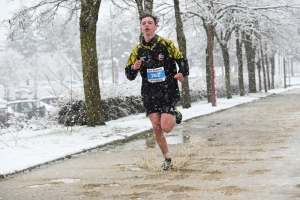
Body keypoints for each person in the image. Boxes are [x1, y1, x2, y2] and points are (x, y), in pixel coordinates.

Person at [125, 13, 189, 171]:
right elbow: (129, 74)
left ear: (155, 26)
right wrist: (134, 67)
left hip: (167, 89)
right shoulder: (137, 50)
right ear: (141, 28)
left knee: (166, 127)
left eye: (150, 23)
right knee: (156, 127)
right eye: (144, 23)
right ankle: (167, 159)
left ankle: (175, 113)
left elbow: (181, 59)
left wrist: (182, 72)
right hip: (149, 92)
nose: (146, 25)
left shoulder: (165, 44)